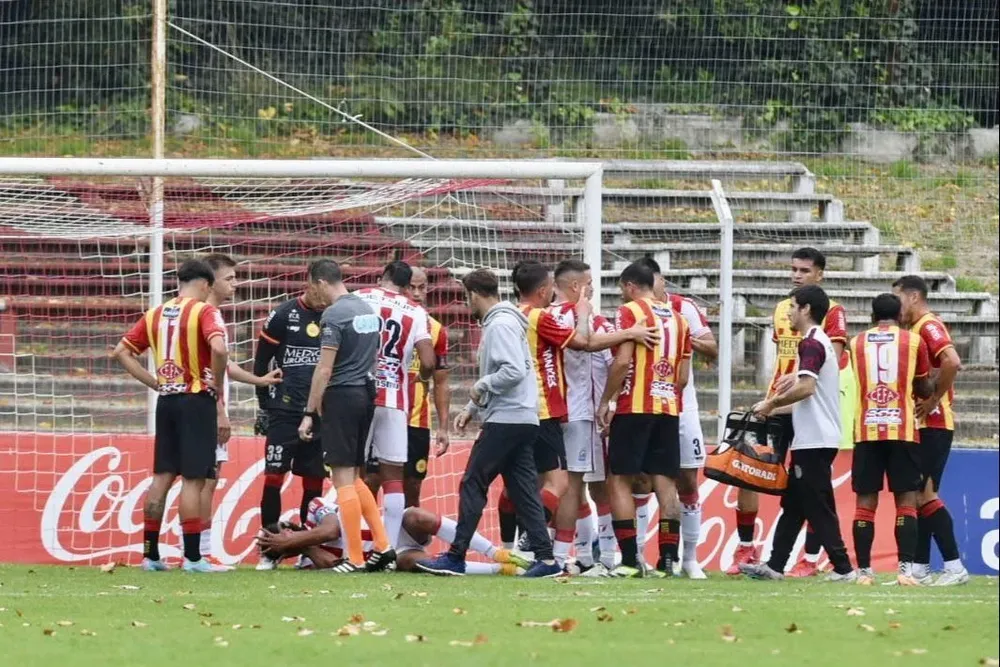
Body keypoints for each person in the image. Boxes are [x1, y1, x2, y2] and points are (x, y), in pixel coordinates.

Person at [498, 260, 658, 559]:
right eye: (591, 286)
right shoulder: (590, 320)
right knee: (576, 486)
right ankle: (569, 556)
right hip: (580, 414)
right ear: (577, 287)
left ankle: (553, 549)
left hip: (541, 411)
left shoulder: (538, 317)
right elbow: (612, 361)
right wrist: (609, 400)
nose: (594, 291)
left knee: (545, 482)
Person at [415, 269, 560, 577]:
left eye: (467, 297)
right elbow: (511, 372)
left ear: (475, 295)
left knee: (472, 482)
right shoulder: (507, 322)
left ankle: (456, 555)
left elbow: (511, 372)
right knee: (523, 491)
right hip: (522, 418)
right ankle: (547, 561)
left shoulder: (500, 325)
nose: (467, 304)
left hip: (507, 418)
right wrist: (472, 407)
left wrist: (479, 389)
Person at [730, 247, 850, 577]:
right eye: (793, 269)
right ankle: (775, 565)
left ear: (807, 308)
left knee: (818, 504)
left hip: (812, 429)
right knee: (795, 502)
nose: (789, 312)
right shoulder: (808, 338)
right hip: (804, 422)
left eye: (795, 307)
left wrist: (771, 403)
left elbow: (811, 384)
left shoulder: (815, 339)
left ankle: (843, 568)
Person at [112, 258, 230, 573]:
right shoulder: (206, 311)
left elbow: (121, 351)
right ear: (205, 284)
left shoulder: (156, 313)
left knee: (162, 476)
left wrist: (154, 383)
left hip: (166, 402)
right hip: (196, 401)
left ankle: (150, 556)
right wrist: (216, 384)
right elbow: (219, 349)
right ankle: (192, 558)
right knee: (193, 479)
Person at [596, 260, 691, 578]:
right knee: (666, 484)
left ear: (629, 286)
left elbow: (622, 362)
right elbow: (683, 377)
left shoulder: (630, 312)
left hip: (635, 407)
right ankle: (667, 560)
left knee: (619, 480)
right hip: (668, 409)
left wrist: (607, 400)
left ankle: (629, 561)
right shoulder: (680, 321)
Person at [298, 260, 393, 574]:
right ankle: (383, 546)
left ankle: (354, 557)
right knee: (353, 475)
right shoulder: (367, 310)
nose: (312, 293)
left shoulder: (334, 315)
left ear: (322, 282)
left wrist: (309, 412)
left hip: (342, 395)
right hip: (366, 393)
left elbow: (324, 368)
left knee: (341, 478)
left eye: (312, 286)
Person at [197, 254, 283, 570]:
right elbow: (210, 370)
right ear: (211, 281)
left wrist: (258, 379)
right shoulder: (207, 315)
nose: (236, 284)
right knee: (204, 480)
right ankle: (199, 553)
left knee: (200, 479)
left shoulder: (206, 315)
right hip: (205, 408)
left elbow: (224, 364)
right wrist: (220, 411)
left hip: (197, 406)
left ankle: (189, 552)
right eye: (230, 279)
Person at [637, 256, 718, 579]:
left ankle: (689, 559)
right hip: (645, 407)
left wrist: (683, 338)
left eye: (652, 282)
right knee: (641, 480)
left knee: (686, 479)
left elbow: (712, 348)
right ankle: (639, 557)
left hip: (682, 408)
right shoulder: (633, 311)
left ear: (662, 281)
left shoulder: (683, 307)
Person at [252, 260, 335, 570]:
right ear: (311, 282)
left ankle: (305, 551)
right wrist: (263, 406)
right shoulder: (283, 315)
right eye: (321, 285)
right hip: (284, 411)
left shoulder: (334, 317)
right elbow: (261, 365)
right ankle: (269, 551)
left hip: (319, 412)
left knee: (313, 484)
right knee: (274, 477)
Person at [849, 293, 934, 586]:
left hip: (866, 430)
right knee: (906, 501)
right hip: (903, 430)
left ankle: (863, 572)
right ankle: (905, 571)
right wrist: (931, 384)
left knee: (865, 502)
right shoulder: (914, 341)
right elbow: (923, 388)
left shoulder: (855, 342)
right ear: (899, 315)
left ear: (872, 316)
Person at [893, 275, 969, 585]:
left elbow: (952, 361)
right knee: (916, 494)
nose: (896, 307)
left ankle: (954, 567)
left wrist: (934, 398)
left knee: (925, 495)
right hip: (922, 424)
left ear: (913, 297)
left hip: (934, 424)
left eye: (897, 299)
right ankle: (921, 568)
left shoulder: (928, 325)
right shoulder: (913, 329)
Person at [354, 261, 436, 547]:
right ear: (405, 286)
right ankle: (386, 547)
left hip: (358, 395)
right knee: (393, 478)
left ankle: (353, 545)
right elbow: (428, 362)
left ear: (381, 277)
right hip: (394, 400)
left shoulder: (359, 298)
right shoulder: (415, 312)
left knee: (353, 474)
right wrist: (421, 379)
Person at [257, 497, 531, 575]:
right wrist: (303, 549)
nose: (283, 541)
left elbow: (331, 530)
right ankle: (501, 569)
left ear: (288, 525)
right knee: (415, 564)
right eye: (278, 547)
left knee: (417, 516)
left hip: (393, 529)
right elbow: (333, 566)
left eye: (279, 535)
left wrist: (294, 540)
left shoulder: (316, 509)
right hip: (391, 556)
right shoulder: (308, 564)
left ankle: (496, 551)